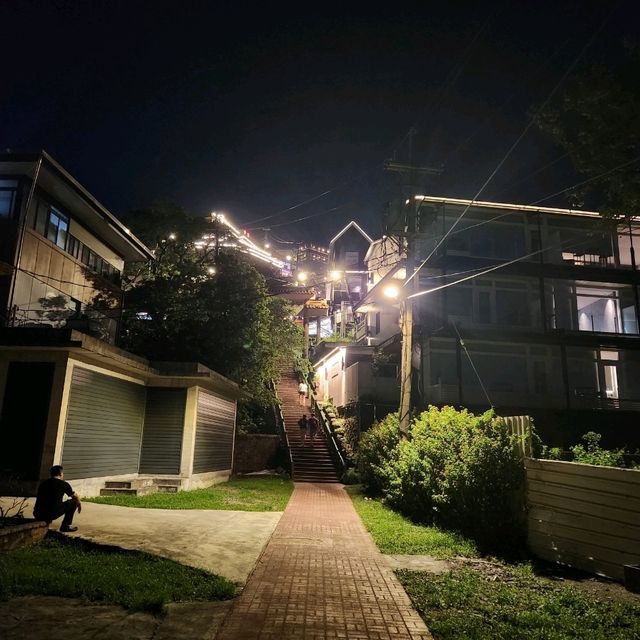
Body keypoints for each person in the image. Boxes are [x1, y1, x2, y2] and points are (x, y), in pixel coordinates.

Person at [33, 464, 81, 532]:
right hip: (52, 513)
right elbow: (75, 496)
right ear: (60, 474)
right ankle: (65, 526)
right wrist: (79, 504)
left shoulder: (43, 483)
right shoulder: (63, 484)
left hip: (37, 513)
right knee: (74, 502)